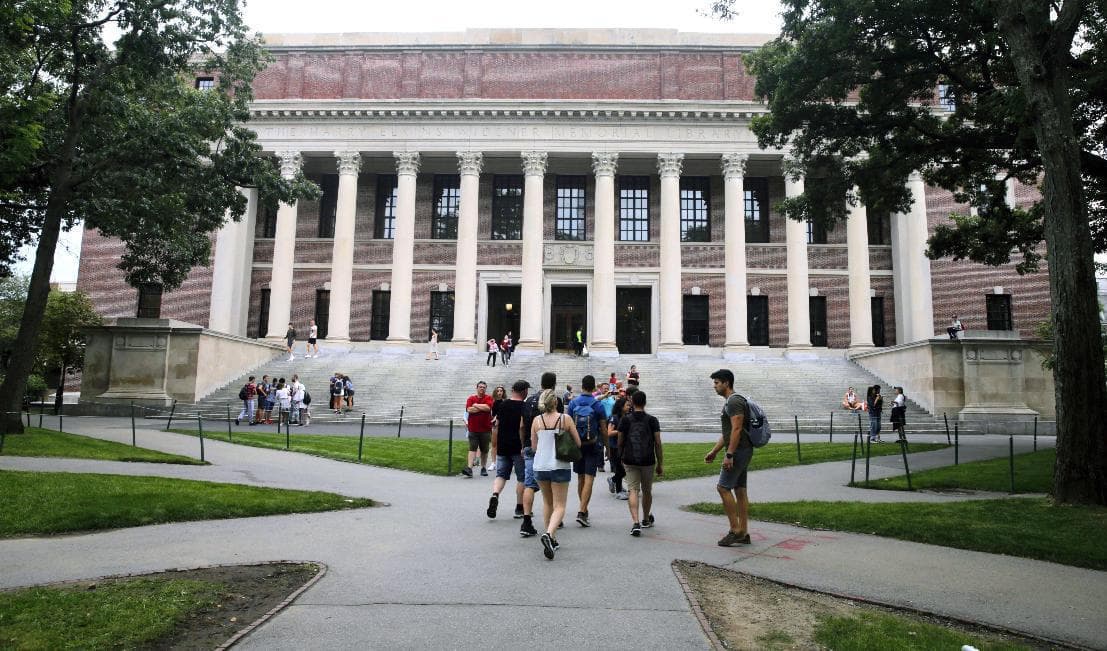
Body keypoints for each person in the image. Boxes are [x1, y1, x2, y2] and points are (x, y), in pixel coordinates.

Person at [705, 369, 754, 547]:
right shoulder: (731, 402)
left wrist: (729, 454)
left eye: (717, 382)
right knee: (739, 490)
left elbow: (736, 429)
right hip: (741, 449)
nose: (714, 386)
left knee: (723, 488)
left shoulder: (734, 402)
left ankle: (735, 530)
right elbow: (728, 433)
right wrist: (715, 451)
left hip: (738, 451)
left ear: (726, 383)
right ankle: (744, 531)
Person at [531, 388, 581, 559]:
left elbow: (534, 446)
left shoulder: (536, 421)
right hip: (559, 464)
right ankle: (549, 534)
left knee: (547, 502)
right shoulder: (565, 419)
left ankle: (551, 538)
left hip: (540, 465)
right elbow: (578, 442)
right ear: (555, 402)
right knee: (560, 505)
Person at [519, 371, 564, 537]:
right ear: (554, 384)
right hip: (551, 447)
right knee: (553, 483)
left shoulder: (529, 400)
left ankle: (526, 520)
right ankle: (555, 517)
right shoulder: (555, 400)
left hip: (531, 445)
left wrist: (523, 444)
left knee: (530, 484)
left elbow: (522, 425)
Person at [617, 390, 662, 537]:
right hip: (648, 460)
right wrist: (660, 463)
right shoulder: (652, 420)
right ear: (645, 402)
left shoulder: (625, 420)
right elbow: (657, 443)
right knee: (647, 490)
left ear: (632, 402)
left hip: (630, 459)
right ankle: (645, 519)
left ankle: (635, 522)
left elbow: (620, 440)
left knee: (633, 490)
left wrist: (620, 455)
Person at [568, 374, 608, 527]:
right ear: (593, 388)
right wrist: (608, 449)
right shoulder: (598, 405)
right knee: (589, 478)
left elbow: (568, 425)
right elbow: (604, 430)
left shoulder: (573, 403)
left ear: (582, 386)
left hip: (578, 446)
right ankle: (582, 510)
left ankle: (583, 509)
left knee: (580, 478)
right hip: (593, 445)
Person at [487, 380, 529, 520]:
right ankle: (519, 507)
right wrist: (524, 445)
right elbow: (522, 427)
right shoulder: (524, 406)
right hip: (517, 446)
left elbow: (496, 423)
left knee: (501, 475)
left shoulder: (502, 404)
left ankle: (495, 494)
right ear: (523, 391)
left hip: (503, 445)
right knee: (522, 477)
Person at [464, 381, 494, 478]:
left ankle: (483, 467)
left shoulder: (488, 398)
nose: (482, 388)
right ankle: (469, 468)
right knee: (472, 448)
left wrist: (475, 405)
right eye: (480, 387)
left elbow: (488, 408)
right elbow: (469, 409)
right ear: (477, 388)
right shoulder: (471, 398)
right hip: (473, 428)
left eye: (484, 387)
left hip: (485, 429)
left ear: (485, 388)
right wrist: (481, 407)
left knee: (484, 449)